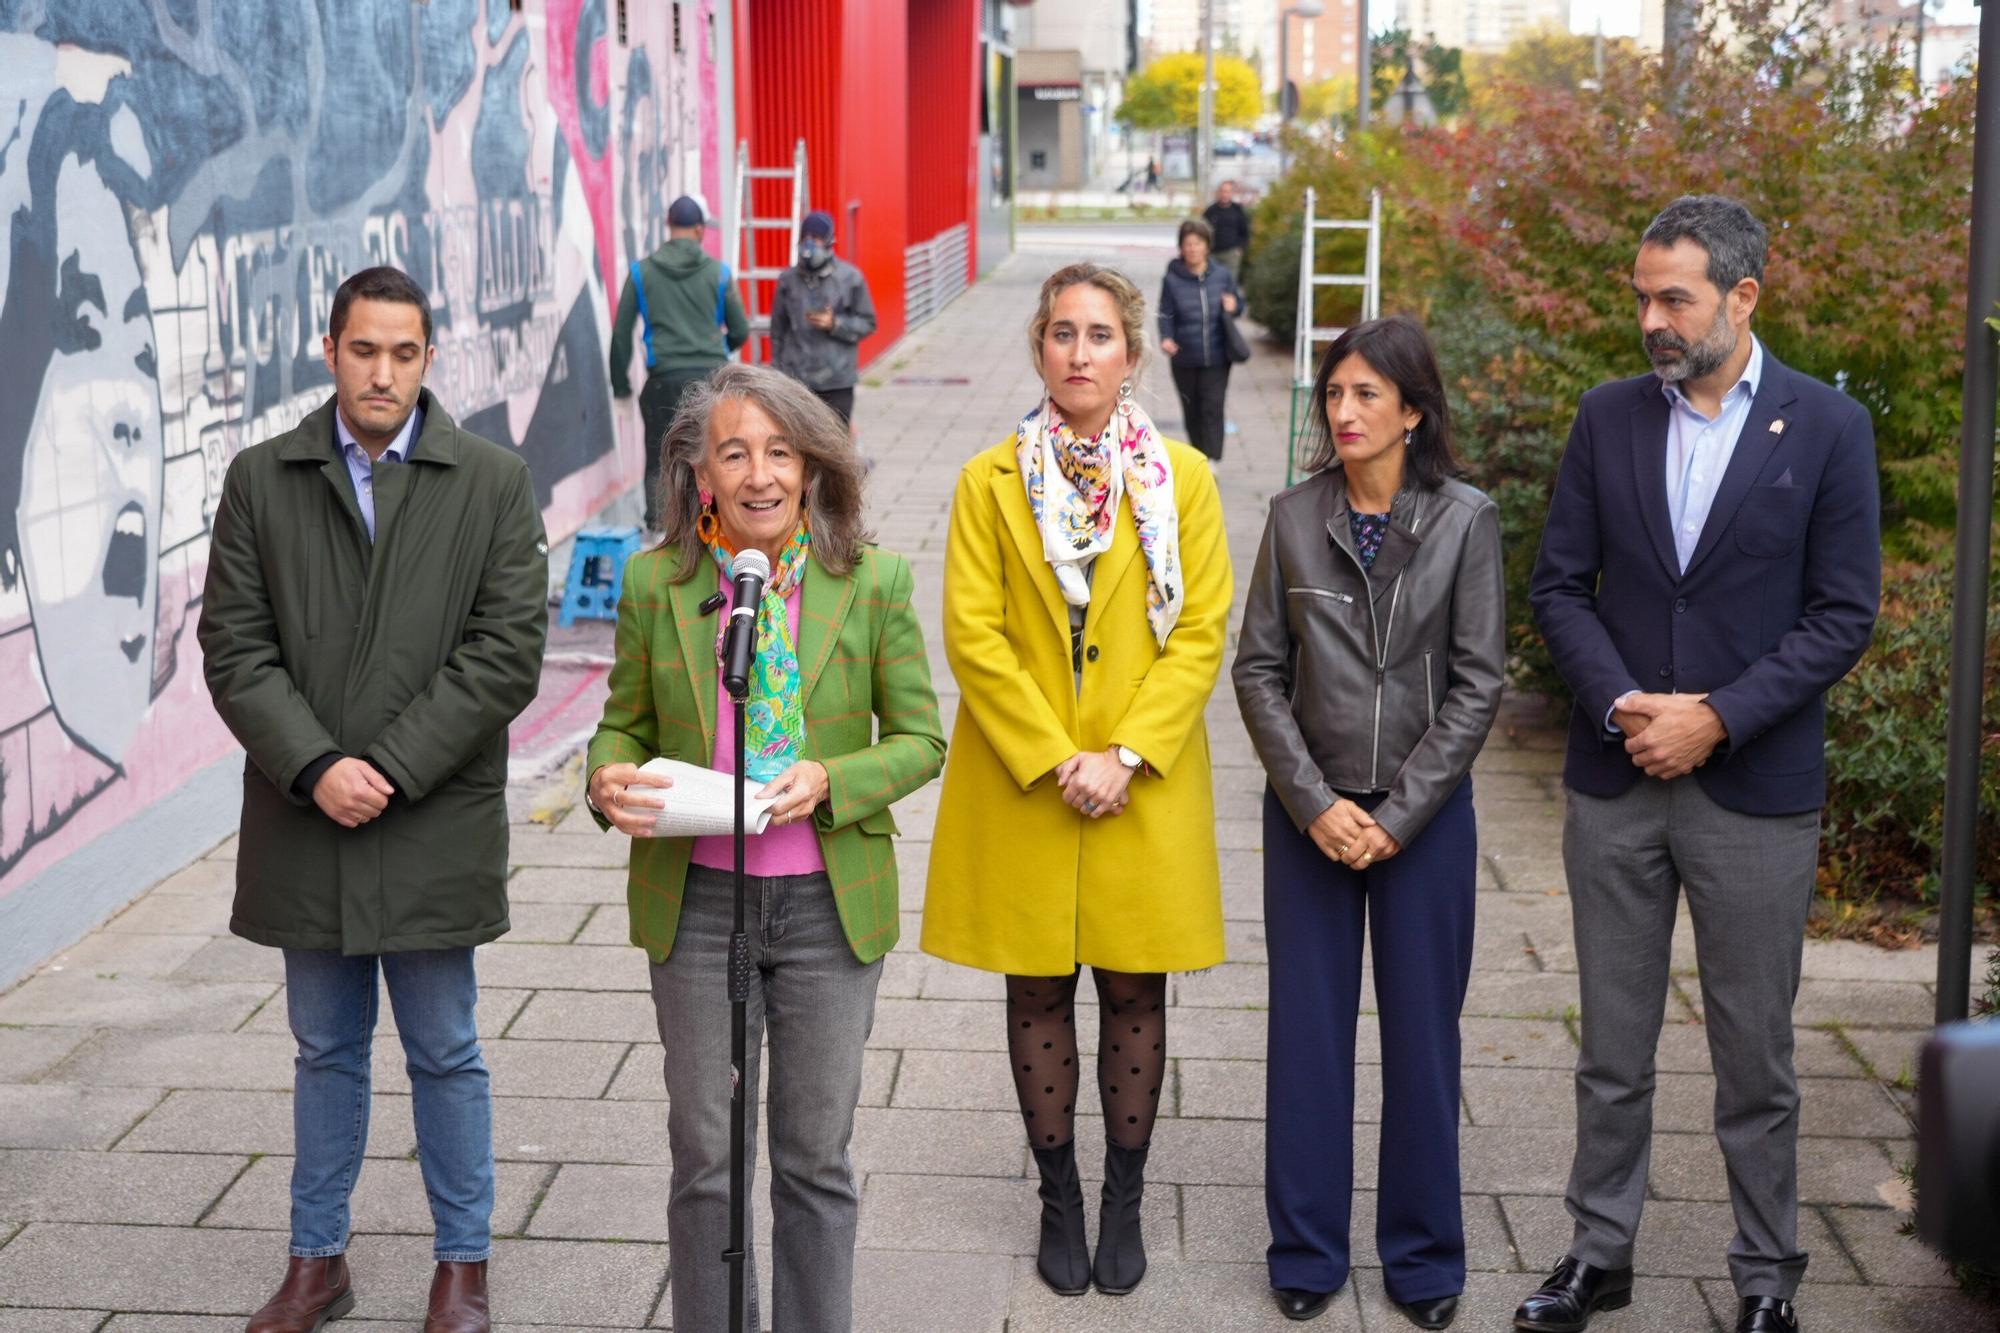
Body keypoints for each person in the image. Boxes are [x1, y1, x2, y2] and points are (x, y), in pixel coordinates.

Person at [1520, 195, 1881, 1333]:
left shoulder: (1824, 428)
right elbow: (1553, 587)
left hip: (1752, 793)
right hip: (1616, 777)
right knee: (1610, 1047)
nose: (1649, 320)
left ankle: (1766, 1277)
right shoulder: (1606, 417)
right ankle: (1598, 1253)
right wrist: (1627, 703)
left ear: (1741, 296)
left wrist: (1716, 717)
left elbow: (1840, 615)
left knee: (1755, 1060)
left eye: (1671, 297)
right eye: (1639, 296)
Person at [197, 266, 551, 1333]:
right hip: (307, 819)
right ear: (330, 349)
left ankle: (463, 1265)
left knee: (444, 1046)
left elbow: (504, 653)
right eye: (364, 350)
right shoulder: (263, 478)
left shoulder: (489, 480)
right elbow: (235, 647)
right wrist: (314, 766)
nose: (382, 372)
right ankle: (318, 1260)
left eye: (403, 353)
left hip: (431, 815)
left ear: (428, 356)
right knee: (323, 1049)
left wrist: (389, 766)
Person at [584, 363, 944, 1332]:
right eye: (733, 452)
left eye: (779, 452)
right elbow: (621, 725)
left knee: (812, 1157)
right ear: (698, 473)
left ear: (812, 466)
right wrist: (603, 776)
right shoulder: (658, 582)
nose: (758, 475)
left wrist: (834, 779)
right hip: (696, 902)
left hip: (828, 903)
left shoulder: (871, 581)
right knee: (705, 1156)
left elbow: (920, 740)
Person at [922, 262, 1232, 1299]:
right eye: (1061, 333)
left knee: (1135, 984)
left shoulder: (1181, 477)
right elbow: (971, 634)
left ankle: (1127, 1196)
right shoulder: (986, 480)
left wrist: (1126, 752)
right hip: (1029, 778)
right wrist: (1059, 756)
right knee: (1037, 985)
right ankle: (1059, 1197)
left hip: (1142, 775)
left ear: (1131, 355)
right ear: (1039, 348)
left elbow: (1198, 632)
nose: (1079, 351)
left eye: (1099, 334)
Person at [1233, 315, 1505, 1329]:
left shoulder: (1466, 521)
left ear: (1411, 412)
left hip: (1422, 823)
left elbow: (1479, 683)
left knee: (1422, 1042)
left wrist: (1395, 816)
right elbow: (1258, 669)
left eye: (1364, 396)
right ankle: (1303, 1250)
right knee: (1306, 1038)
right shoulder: (1292, 515)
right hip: (1307, 818)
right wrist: (1313, 803)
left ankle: (1425, 1261)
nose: (1342, 412)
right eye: (1332, 394)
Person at [609, 194, 750, 530]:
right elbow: (741, 330)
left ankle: (660, 526)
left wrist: (621, 385)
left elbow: (621, 332)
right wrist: (720, 348)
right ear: (700, 230)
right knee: (718, 450)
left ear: (668, 226)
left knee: (662, 455)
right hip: (713, 379)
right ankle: (721, 520)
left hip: (664, 380)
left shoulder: (641, 273)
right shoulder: (719, 273)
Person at [769, 209, 878, 425]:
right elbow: (777, 330)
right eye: (805, 238)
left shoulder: (850, 278)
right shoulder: (788, 280)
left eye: (816, 238)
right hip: (797, 381)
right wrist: (778, 371)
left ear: (829, 242)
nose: (810, 244)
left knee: (835, 448)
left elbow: (868, 322)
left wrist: (835, 324)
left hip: (837, 381)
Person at [1158, 218, 1246, 462]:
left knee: (1213, 408)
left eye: (1198, 243)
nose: (1193, 249)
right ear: (1181, 247)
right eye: (1188, 244)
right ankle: (1199, 458)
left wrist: (1234, 305)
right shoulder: (1172, 278)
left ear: (1207, 246)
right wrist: (1166, 337)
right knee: (1192, 411)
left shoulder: (1222, 275)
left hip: (1218, 357)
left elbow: (1238, 304)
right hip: (1184, 357)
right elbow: (1165, 312)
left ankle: (1213, 462)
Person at [1203, 179, 1252, 277]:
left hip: (1231, 254)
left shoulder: (1238, 210)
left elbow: (1245, 231)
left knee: (1230, 282)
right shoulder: (1210, 211)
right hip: (1213, 254)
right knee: (1212, 281)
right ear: (1218, 192)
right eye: (1222, 191)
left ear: (1231, 193)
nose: (1224, 194)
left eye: (1227, 191)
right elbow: (1202, 231)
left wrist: (1240, 248)